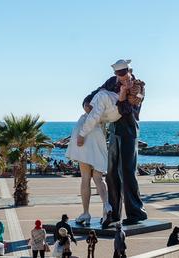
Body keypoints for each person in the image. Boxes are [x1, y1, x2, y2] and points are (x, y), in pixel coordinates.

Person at [84, 59, 147, 227]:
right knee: (111, 173)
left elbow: (127, 109)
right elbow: (97, 92)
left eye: (125, 74)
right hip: (114, 130)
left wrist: (123, 94)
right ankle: (113, 212)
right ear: (115, 74)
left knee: (127, 171)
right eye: (119, 76)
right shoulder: (112, 81)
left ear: (129, 70)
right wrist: (86, 102)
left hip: (129, 129)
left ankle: (136, 212)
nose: (122, 79)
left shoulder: (138, 86)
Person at [66, 90, 120, 226]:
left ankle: (86, 213)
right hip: (99, 140)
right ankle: (107, 206)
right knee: (98, 178)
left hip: (85, 139)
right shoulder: (102, 115)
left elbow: (79, 137)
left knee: (85, 178)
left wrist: (80, 137)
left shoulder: (86, 117)